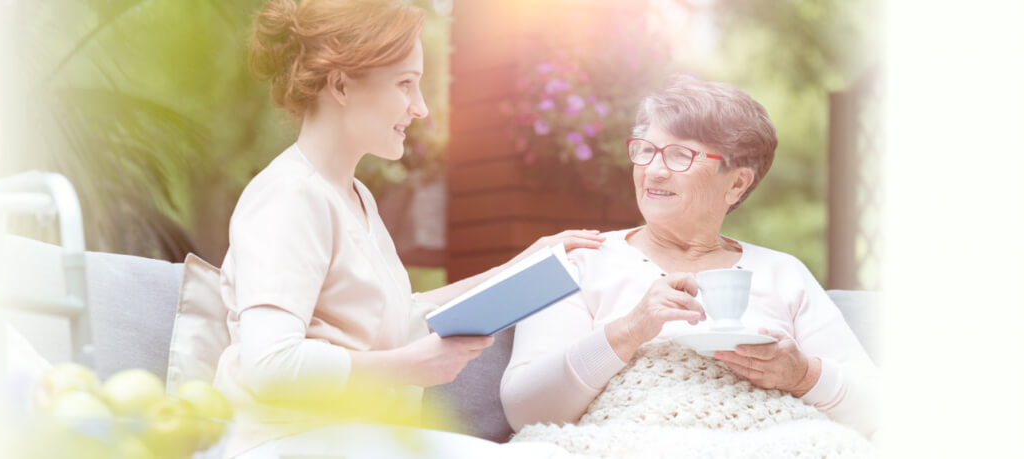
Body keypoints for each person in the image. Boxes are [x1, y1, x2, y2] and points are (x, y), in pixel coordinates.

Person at [211, 1, 604, 457]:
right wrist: (408, 366)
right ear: (340, 84)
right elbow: (271, 366)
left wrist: (523, 265)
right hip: (288, 443)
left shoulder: (353, 196)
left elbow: (400, 314)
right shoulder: (289, 197)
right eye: (405, 84)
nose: (419, 108)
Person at [500, 76, 879, 456]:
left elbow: (875, 410)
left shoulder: (784, 272)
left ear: (736, 184)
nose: (653, 170)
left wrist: (803, 375)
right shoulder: (578, 259)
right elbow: (526, 412)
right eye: (646, 150)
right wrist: (628, 331)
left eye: (680, 155)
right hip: (625, 442)